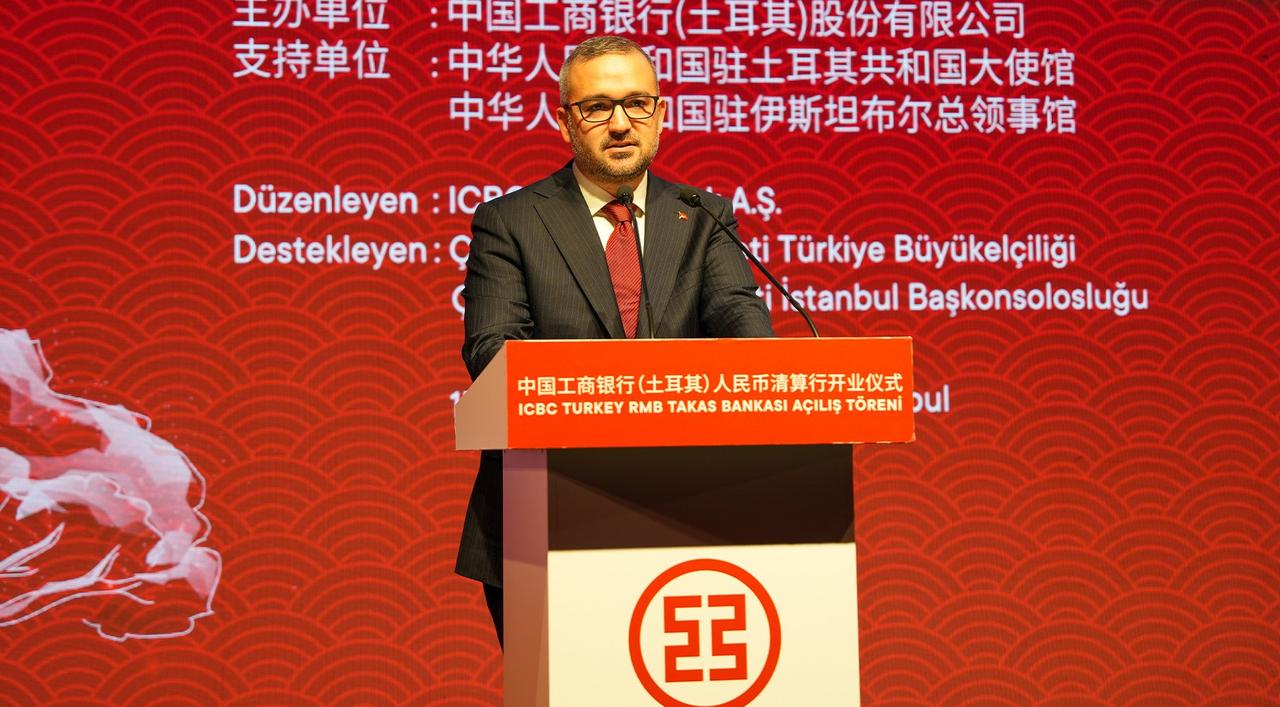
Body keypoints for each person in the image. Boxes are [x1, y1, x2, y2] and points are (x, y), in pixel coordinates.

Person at [455, 35, 774, 645]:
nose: (621, 123)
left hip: (695, 507)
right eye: (598, 107)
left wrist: (765, 371)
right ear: (565, 122)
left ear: (661, 115)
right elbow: (491, 348)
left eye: (637, 104)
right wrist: (616, 400)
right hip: (544, 514)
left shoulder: (703, 215)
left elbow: (737, 311)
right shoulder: (512, 221)